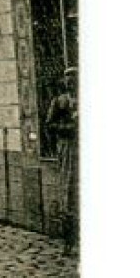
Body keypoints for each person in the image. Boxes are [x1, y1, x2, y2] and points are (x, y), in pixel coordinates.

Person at [46, 68, 78, 256]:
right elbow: (49, 124)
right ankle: (69, 242)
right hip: (69, 149)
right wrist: (69, 127)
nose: (71, 84)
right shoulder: (59, 102)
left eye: (74, 80)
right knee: (69, 191)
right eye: (68, 81)